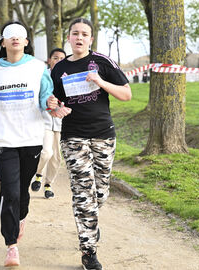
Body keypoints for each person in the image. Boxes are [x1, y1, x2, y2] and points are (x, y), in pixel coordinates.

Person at [0, 21, 62, 267]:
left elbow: (45, 97)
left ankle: (21, 218)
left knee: (22, 192)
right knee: (9, 190)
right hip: (4, 138)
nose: (15, 38)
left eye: (20, 35)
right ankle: (11, 245)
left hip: (31, 138)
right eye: (9, 35)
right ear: (3, 42)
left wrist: (51, 104)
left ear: (26, 42)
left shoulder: (38, 68)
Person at [50, 18, 132, 270]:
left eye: (84, 34)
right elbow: (55, 102)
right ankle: (88, 251)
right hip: (73, 136)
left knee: (99, 193)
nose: (79, 38)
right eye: (75, 33)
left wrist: (99, 81)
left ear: (91, 39)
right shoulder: (59, 69)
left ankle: (90, 223)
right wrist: (54, 108)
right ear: (69, 37)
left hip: (103, 134)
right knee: (83, 194)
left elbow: (126, 95)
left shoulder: (103, 62)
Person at [31, 48, 66, 199]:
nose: (59, 61)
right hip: (44, 120)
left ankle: (48, 184)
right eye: (55, 58)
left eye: (62, 59)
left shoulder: (67, 77)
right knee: (46, 152)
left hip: (60, 122)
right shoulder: (41, 76)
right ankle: (38, 174)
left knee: (56, 157)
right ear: (49, 60)